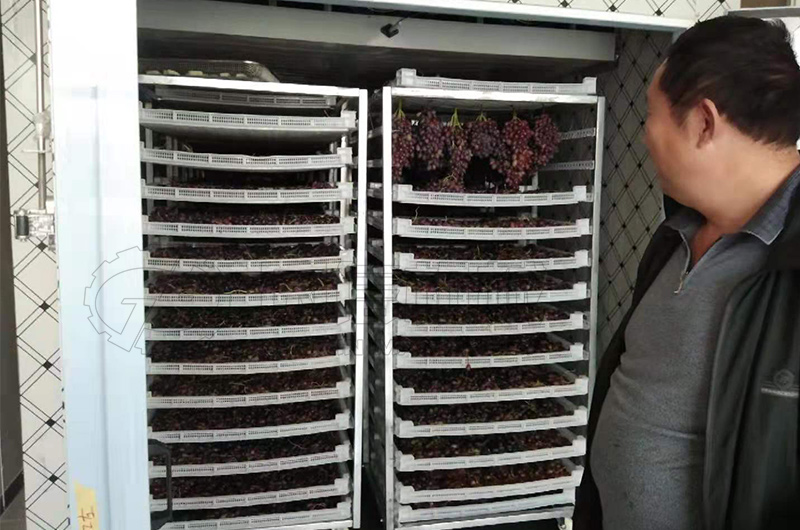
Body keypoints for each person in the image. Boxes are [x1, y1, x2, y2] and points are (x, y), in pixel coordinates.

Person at [574, 15, 800, 530]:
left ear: (703, 122)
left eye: (651, 116)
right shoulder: (674, 237)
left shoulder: (791, 266)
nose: (645, 136)